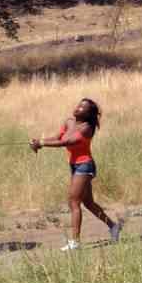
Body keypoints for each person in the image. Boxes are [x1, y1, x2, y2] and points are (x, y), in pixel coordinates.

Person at [30, 98, 122, 251]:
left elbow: (67, 142)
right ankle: (113, 226)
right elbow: (58, 137)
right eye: (79, 105)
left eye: (82, 108)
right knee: (88, 203)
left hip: (85, 166)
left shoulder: (87, 128)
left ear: (88, 114)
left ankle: (75, 242)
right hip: (74, 165)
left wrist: (41, 144)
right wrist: (39, 141)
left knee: (74, 202)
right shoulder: (69, 122)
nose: (78, 108)